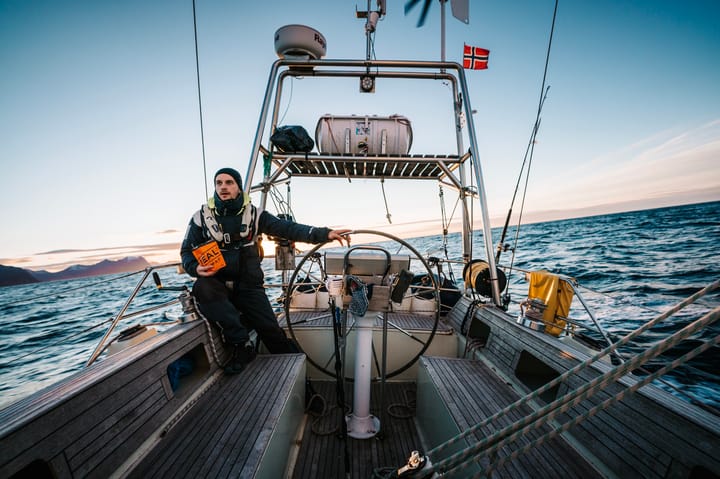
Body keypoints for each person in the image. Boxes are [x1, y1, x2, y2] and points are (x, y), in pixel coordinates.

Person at [181, 167, 351, 374]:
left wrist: (325, 234)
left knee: (272, 333)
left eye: (229, 182)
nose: (223, 187)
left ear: (238, 187)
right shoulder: (200, 218)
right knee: (201, 287)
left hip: (249, 286)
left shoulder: (255, 215)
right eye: (219, 183)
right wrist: (195, 267)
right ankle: (241, 344)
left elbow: (288, 228)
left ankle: (303, 381)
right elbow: (186, 252)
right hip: (217, 285)